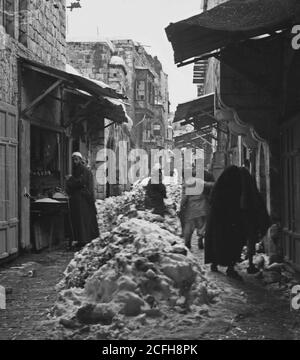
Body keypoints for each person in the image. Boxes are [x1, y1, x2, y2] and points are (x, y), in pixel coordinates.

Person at [205, 165, 270, 280]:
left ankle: (214, 263)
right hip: (234, 222)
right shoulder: (240, 185)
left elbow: (213, 202)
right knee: (233, 243)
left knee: (217, 240)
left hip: (220, 222)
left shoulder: (220, 188)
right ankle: (230, 267)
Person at [66, 152, 99, 249]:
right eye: (73, 159)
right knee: (80, 220)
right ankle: (82, 239)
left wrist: (70, 180)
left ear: (80, 160)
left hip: (83, 199)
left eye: (76, 159)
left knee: (83, 219)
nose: (74, 161)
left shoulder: (83, 170)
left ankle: (84, 239)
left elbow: (80, 182)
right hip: (80, 199)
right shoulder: (78, 169)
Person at [180, 169, 215, 250]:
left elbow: (184, 198)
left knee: (189, 226)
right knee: (202, 225)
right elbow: (209, 185)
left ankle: (187, 242)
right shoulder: (199, 181)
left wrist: (182, 206)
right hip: (202, 206)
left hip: (191, 208)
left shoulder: (186, 184)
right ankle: (200, 238)